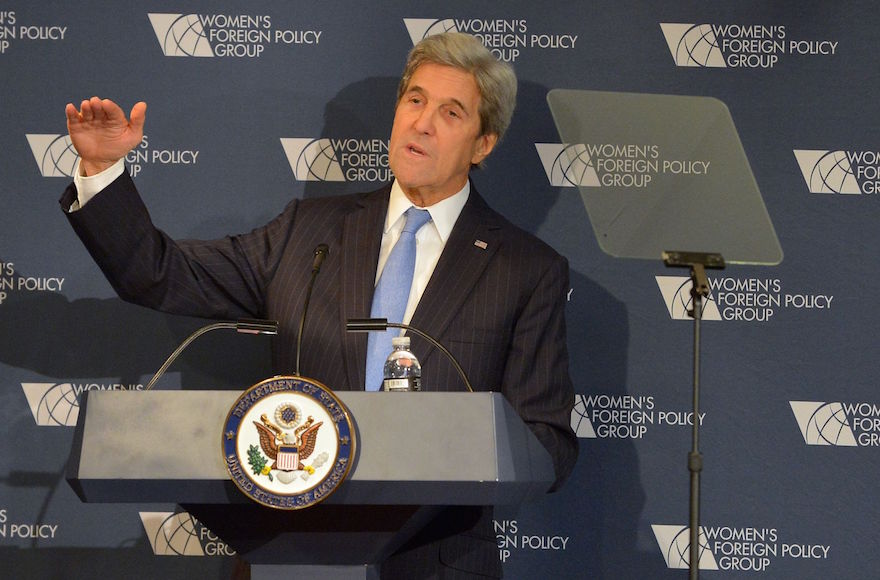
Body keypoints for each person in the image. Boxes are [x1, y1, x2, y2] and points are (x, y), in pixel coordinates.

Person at [61, 32, 578, 579]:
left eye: (451, 112)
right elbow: (158, 274)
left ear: (483, 144)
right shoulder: (308, 232)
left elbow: (547, 440)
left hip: (439, 563)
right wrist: (101, 171)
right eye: (415, 100)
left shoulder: (525, 269)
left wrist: (458, 445)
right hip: (293, 552)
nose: (422, 123)